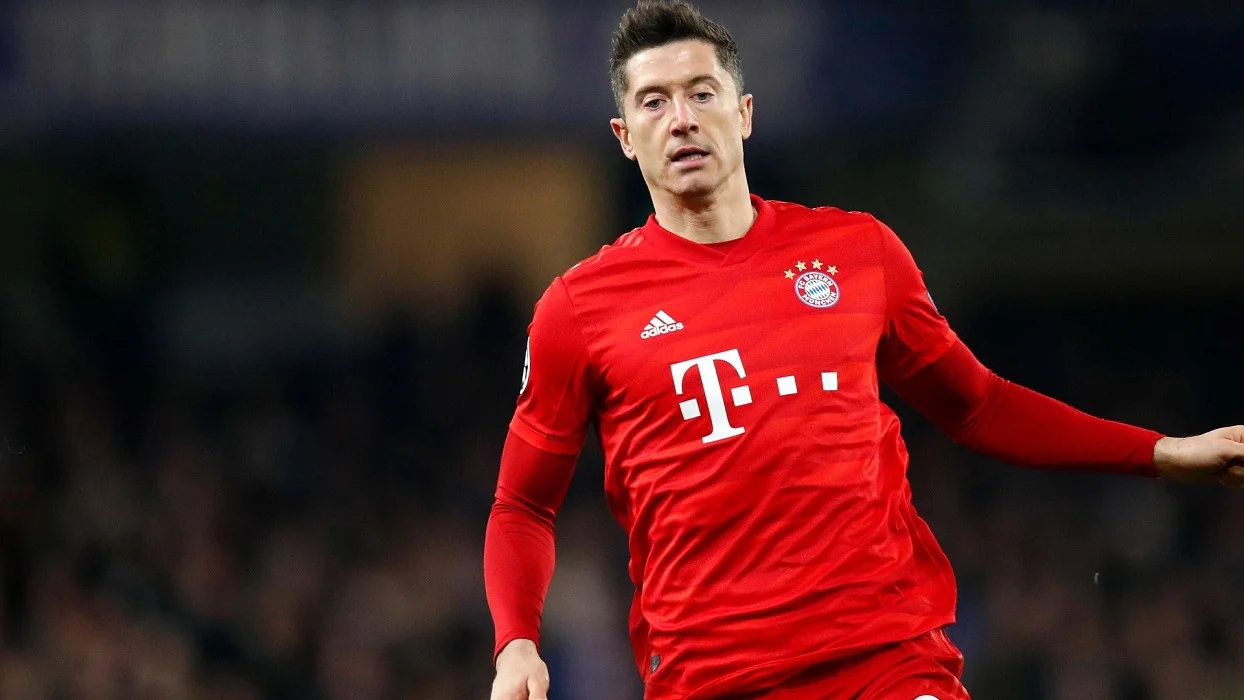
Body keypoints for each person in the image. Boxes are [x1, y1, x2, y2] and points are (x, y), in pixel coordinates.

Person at [483, 2, 1244, 698]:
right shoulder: (578, 310)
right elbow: (522, 504)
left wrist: (1160, 452)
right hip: (712, 677)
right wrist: (516, 643)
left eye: (701, 93)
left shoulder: (857, 252)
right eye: (654, 101)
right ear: (625, 136)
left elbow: (978, 405)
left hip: (884, 658)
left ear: (744, 114)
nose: (681, 119)